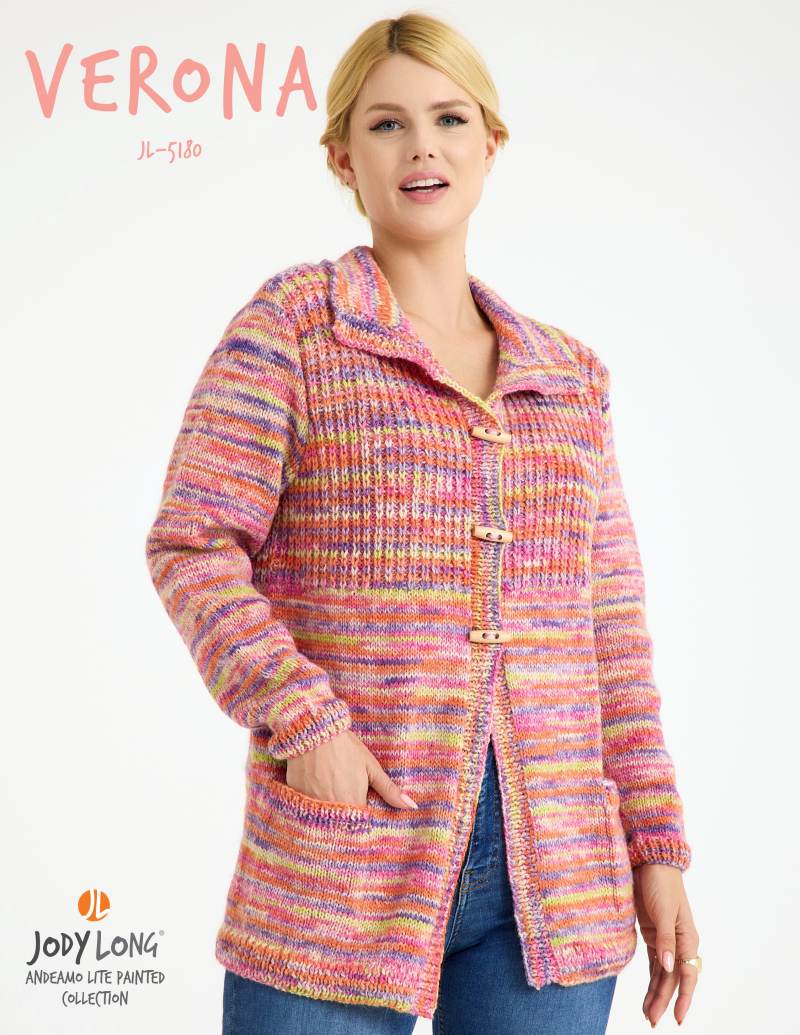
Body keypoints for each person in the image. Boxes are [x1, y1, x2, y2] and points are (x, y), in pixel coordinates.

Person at [144, 12, 701, 1035]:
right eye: (386, 124)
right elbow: (194, 543)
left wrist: (654, 846)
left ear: (490, 143)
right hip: (343, 856)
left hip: (556, 877)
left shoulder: (568, 378)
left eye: (448, 118)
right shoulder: (294, 328)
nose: (421, 147)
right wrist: (304, 719)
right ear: (342, 158)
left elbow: (611, 638)